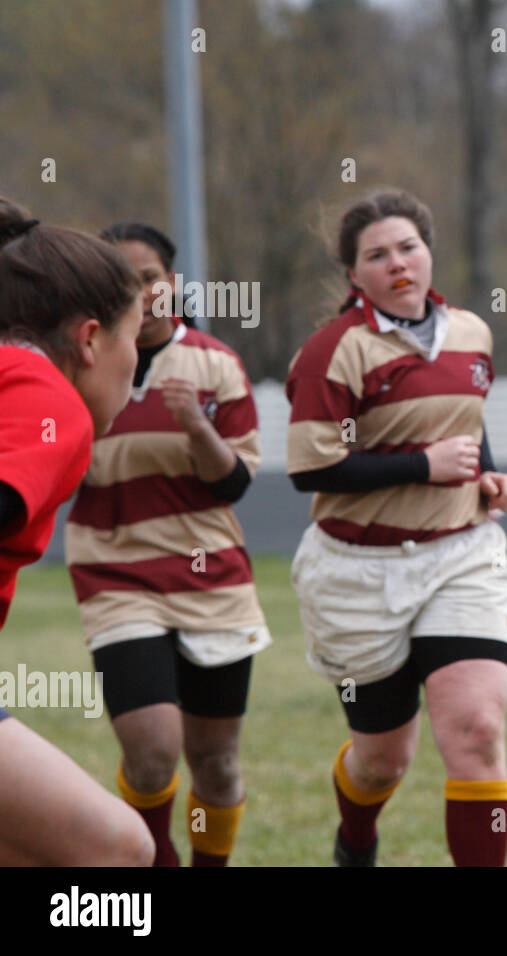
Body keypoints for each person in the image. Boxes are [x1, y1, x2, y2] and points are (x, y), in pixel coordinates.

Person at [286, 188, 507, 867]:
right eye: (376, 254)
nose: (397, 263)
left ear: (429, 252)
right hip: (358, 571)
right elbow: (311, 469)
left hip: (462, 554)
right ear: (353, 272)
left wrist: (488, 477)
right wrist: (424, 466)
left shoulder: (473, 332)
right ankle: (356, 839)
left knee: (477, 730)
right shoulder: (333, 351)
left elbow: (465, 430)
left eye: (408, 247)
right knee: (383, 760)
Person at [62, 222, 270, 867]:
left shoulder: (215, 364)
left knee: (217, 763)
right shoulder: (78, 368)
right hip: (115, 577)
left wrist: (194, 424)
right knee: (151, 756)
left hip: (214, 584)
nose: (140, 291)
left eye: (148, 276)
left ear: (172, 283)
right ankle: (154, 864)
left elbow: (232, 482)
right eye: (121, 279)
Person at [0, 197, 154, 865]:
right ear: (91, 339)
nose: (137, 368)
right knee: (116, 853)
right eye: (136, 340)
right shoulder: (48, 396)